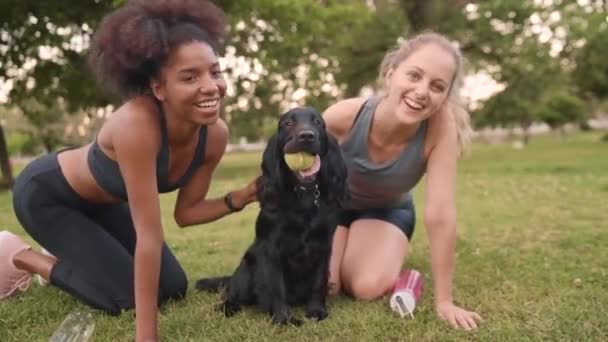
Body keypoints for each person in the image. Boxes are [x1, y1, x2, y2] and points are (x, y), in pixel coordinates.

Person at [0, 0, 257, 340]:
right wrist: (146, 336)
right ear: (158, 88)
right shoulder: (137, 126)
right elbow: (150, 236)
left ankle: (76, 249)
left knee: (174, 287)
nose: (211, 86)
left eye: (215, 71)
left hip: (104, 204)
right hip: (49, 196)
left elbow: (186, 213)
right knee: (128, 299)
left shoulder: (215, 136)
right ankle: (23, 257)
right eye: (190, 77)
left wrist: (243, 196)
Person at [323, 32, 483, 330]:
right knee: (325, 286)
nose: (422, 92)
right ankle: (342, 249)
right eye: (414, 75)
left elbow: (440, 215)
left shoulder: (440, 129)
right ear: (390, 74)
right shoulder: (342, 117)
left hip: (386, 210)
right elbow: (300, 178)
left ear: (445, 96)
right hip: (333, 207)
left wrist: (444, 301)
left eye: (437, 86)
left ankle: (404, 274)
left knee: (365, 287)